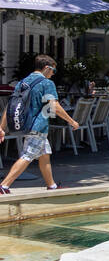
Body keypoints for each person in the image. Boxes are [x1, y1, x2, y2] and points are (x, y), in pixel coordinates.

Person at [0, 55, 80, 194]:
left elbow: (10, 106)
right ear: (46, 68)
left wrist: (1, 127)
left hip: (27, 124)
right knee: (27, 155)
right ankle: (4, 186)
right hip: (37, 126)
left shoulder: (23, 82)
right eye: (53, 71)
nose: (53, 74)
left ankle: (52, 186)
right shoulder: (47, 83)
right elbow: (54, 105)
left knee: (44, 154)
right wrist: (72, 121)